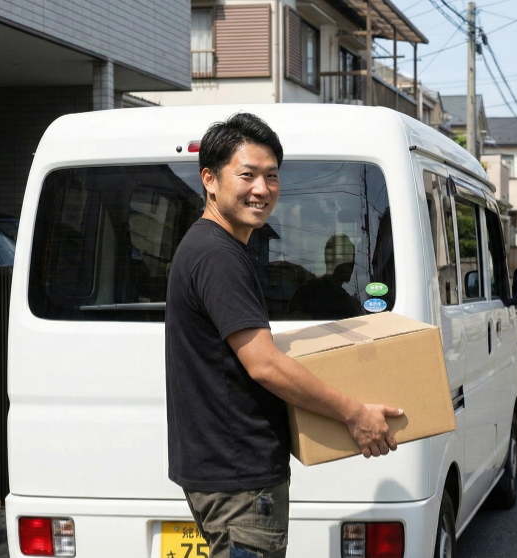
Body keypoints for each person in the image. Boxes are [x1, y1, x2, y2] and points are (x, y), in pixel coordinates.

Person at [165, 112, 403, 558]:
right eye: (248, 175)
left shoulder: (213, 246)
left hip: (224, 469)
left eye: (271, 176)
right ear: (210, 180)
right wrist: (353, 412)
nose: (262, 188)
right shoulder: (218, 254)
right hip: (241, 478)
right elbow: (264, 364)